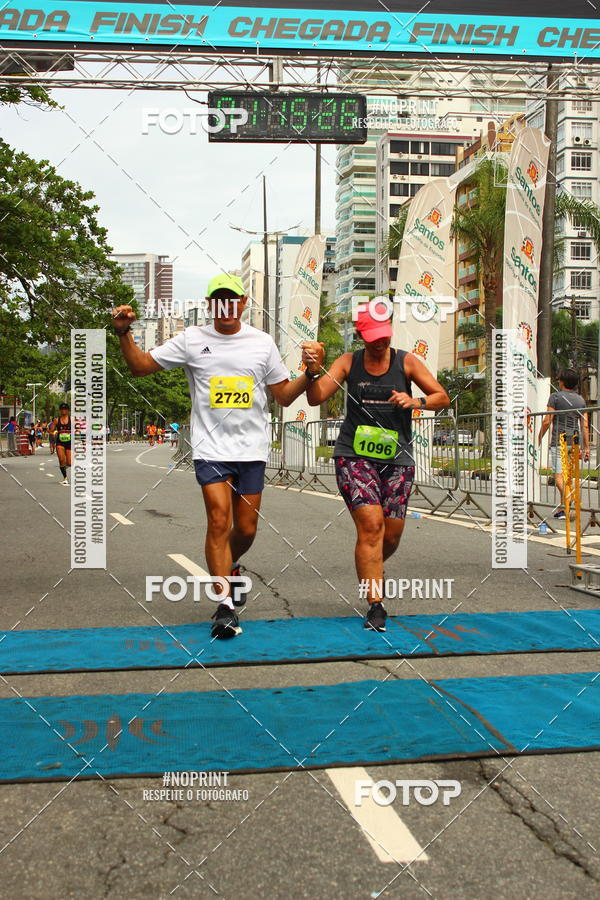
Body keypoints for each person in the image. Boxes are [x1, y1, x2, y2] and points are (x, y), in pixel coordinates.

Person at [112, 272, 319, 639]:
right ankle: (224, 606)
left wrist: (310, 373)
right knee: (218, 521)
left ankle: (232, 564)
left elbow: (285, 395)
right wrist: (124, 333)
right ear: (211, 305)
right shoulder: (192, 339)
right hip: (210, 449)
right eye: (218, 299)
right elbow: (140, 367)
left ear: (242, 304)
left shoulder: (261, 343)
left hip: (251, 450)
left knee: (246, 528)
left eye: (232, 299)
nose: (226, 306)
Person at [303, 305, 450, 632]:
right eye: (372, 339)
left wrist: (417, 402)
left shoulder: (407, 361)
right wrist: (313, 371)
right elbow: (316, 398)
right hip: (354, 454)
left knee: (391, 534)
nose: (379, 343)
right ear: (361, 336)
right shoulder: (348, 362)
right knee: (370, 527)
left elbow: (442, 396)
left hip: (397, 458)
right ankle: (375, 604)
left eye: (383, 337)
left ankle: (369, 565)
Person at [538, 368, 590, 518]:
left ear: (562, 382)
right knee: (568, 476)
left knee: (559, 476)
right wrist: (586, 447)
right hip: (574, 442)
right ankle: (563, 509)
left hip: (559, 441)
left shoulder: (554, 397)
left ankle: (572, 500)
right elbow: (585, 425)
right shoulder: (580, 400)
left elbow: (548, 420)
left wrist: (540, 436)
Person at [50, 403, 72, 484]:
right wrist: (55, 433)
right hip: (60, 442)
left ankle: (62, 467)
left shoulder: (72, 419)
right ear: (60, 410)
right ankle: (65, 478)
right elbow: (51, 431)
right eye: (62, 409)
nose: (64, 411)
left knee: (69, 463)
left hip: (69, 442)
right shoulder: (56, 420)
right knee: (62, 459)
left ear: (68, 410)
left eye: (65, 409)